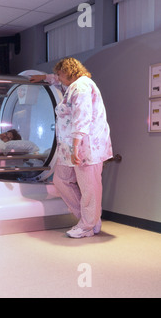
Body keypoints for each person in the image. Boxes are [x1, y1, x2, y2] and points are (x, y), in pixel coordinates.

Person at [30, 58, 112, 238]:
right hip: (70, 146)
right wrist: (45, 77)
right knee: (61, 180)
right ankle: (89, 218)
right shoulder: (72, 86)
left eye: (59, 74)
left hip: (84, 145)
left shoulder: (81, 87)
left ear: (68, 71)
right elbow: (59, 84)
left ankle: (87, 226)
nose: (58, 78)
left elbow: (83, 116)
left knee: (89, 186)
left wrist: (76, 146)